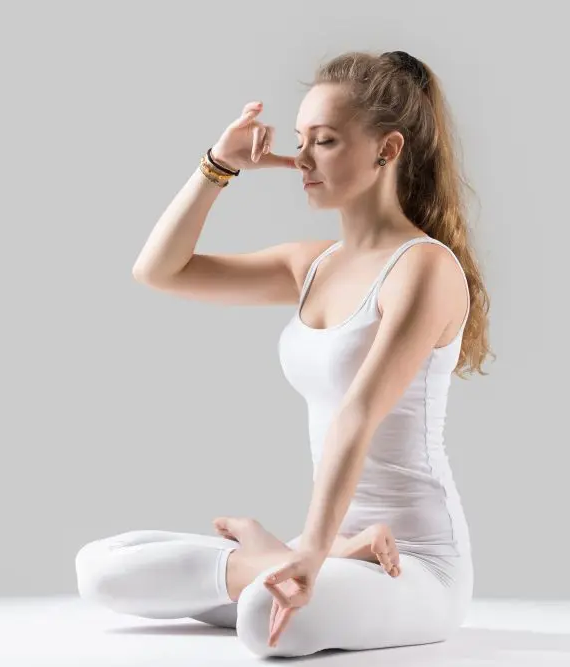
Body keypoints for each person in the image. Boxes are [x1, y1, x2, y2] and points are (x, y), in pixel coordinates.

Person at [75, 49, 494, 659]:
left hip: (416, 565)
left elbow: (357, 414)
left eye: (324, 141)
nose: (300, 159)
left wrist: (311, 550)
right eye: (300, 140)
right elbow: (159, 270)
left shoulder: (425, 268)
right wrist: (220, 165)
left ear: (389, 150)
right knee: (100, 568)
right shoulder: (312, 265)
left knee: (261, 616)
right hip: (327, 546)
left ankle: (283, 564)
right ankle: (285, 560)